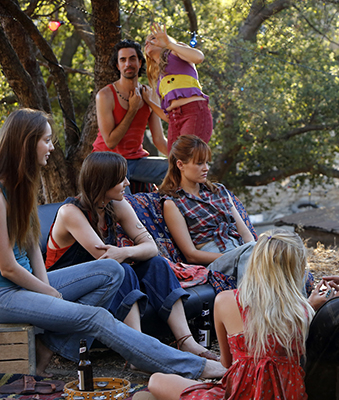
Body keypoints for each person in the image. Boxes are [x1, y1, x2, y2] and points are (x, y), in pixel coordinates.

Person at [0, 108, 225, 379]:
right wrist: (50, 294)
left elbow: (31, 247)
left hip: (30, 284)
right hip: (6, 294)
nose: (51, 147)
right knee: (96, 317)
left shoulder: (22, 188)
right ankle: (194, 367)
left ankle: (45, 350)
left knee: (113, 271)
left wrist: (46, 286)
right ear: (26, 143)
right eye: (46, 140)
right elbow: (7, 267)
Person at [45, 151, 218, 361]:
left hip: (104, 282)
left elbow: (151, 247)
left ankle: (186, 341)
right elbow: (106, 259)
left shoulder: (115, 204)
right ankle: (137, 349)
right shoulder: (70, 212)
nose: (127, 183)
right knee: (122, 269)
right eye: (121, 179)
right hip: (66, 288)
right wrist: (123, 255)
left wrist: (125, 251)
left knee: (157, 264)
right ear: (103, 182)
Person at [146, 229, 315, 400]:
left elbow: (226, 363)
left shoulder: (225, 300)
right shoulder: (304, 311)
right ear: (298, 268)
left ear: (254, 261)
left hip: (239, 395)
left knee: (157, 381)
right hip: (289, 395)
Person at [159, 135, 255, 281]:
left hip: (242, 250)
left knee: (279, 248)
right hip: (215, 260)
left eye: (207, 162)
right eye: (199, 163)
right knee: (253, 256)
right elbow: (191, 254)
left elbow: (245, 234)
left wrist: (255, 253)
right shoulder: (173, 203)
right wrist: (234, 256)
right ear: (180, 165)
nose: (206, 168)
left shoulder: (219, 191)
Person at [95, 39, 169, 186]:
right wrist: (132, 109)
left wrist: (185, 160)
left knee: (178, 170)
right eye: (123, 60)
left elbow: (159, 140)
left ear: (140, 62)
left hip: (137, 161)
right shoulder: (105, 95)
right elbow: (110, 142)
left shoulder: (149, 94)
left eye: (132, 59)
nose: (128, 64)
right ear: (118, 65)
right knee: (124, 198)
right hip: (108, 161)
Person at [143, 23, 213, 152]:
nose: (148, 42)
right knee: (174, 161)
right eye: (146, 42)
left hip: (193, 112)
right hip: (174, 120)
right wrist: (149, 101)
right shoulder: (160, 80)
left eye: (153, 38)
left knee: (185, 156)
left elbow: (199, 57)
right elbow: (167, 116)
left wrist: (169, 44)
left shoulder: (175, 52)